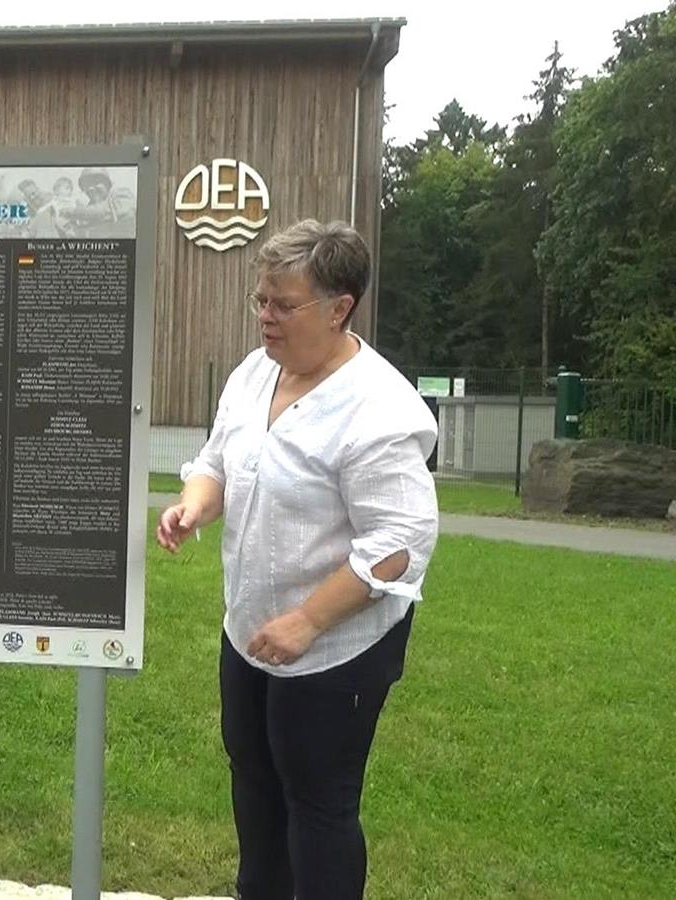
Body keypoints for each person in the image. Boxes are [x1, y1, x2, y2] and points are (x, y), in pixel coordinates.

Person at [157, 220, 438, 900]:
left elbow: (399, 543)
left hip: (331, 651)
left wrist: (308, 621)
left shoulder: (377, 409)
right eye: (261, 301)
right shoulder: (257, 373)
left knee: (318, 806)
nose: (265, 318)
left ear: (339, 308)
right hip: (248, 630)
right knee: (254, 785)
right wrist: (195, 503)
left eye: (283, 305)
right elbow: (219, 459)